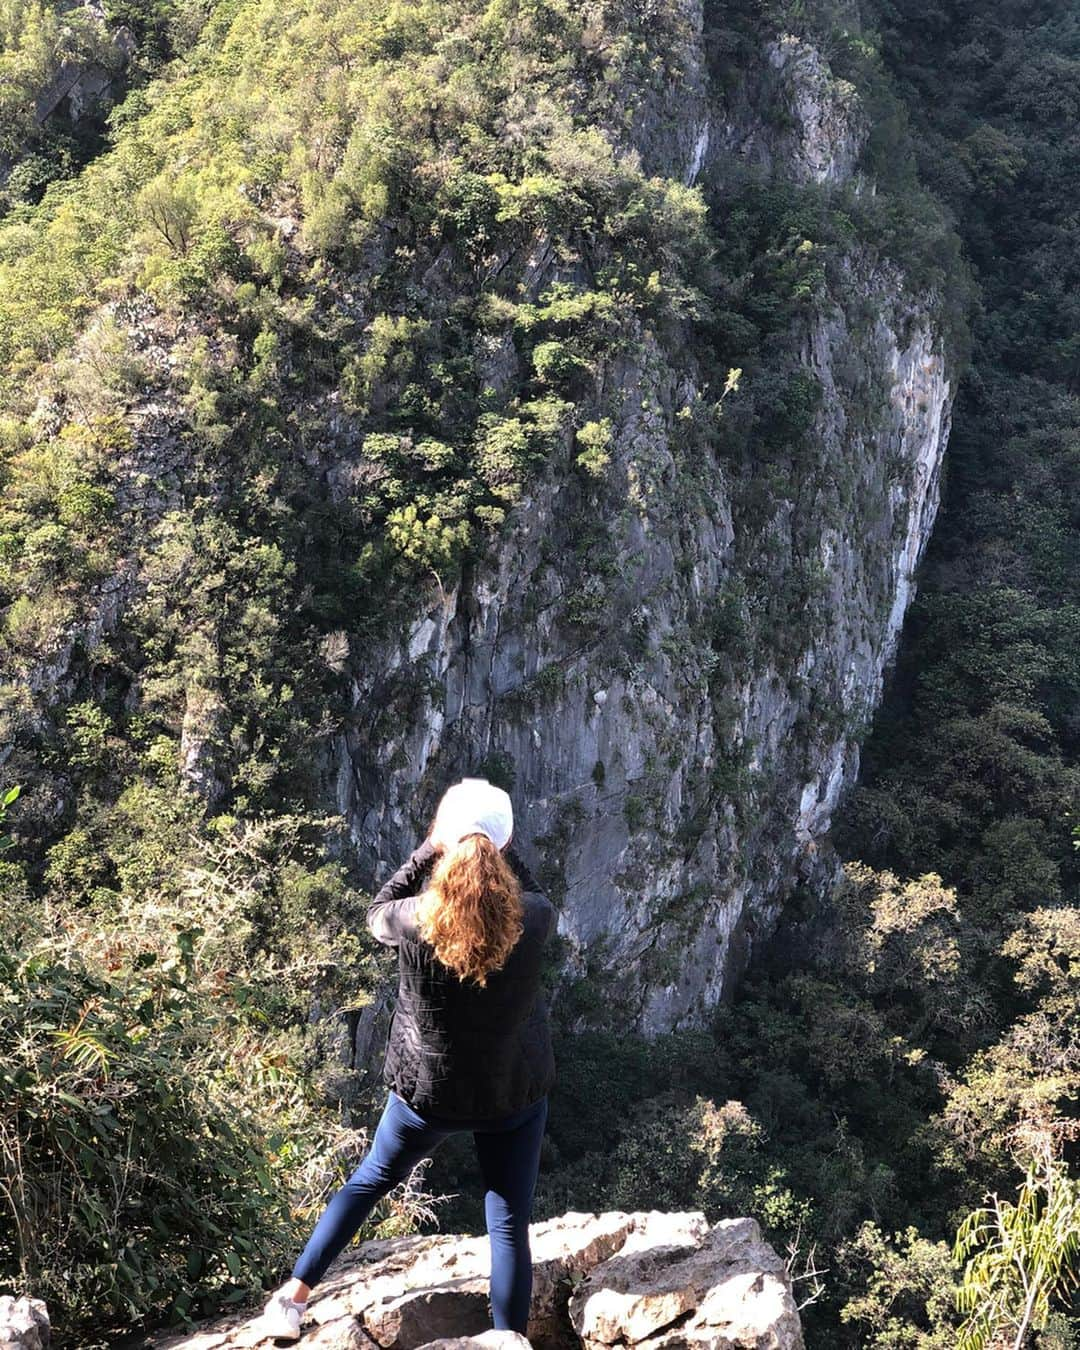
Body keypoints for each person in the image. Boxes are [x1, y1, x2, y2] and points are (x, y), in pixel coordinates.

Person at [255, 777, 557, 1342]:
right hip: (509, 1093)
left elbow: (376, 911)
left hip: (427, 1095)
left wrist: (430, 847)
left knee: (368, 1182)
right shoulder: (535, 916)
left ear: (444, 842)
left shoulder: (413, 919)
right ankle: (506, 1339)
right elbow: (531, 889)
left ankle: (292, 1301)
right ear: (506, 844)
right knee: (509, 1222)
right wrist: (496, 842)